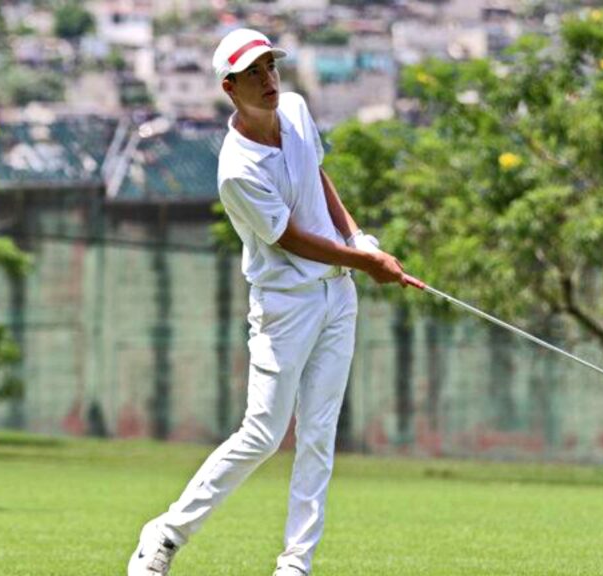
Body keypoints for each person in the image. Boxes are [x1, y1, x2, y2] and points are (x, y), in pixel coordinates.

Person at [127, 29, 406, 576]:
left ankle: (295, 565)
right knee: (262, 433)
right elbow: (290, 239)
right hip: (286, 305)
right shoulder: (237, 169)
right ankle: (165, 534)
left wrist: (357, 239)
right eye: (253, 72)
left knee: (320, 435)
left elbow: (318, 176)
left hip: (337, 296)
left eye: (270, 66)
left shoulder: (297, 109)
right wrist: (367, 264)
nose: (268, 79)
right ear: (230, 87)